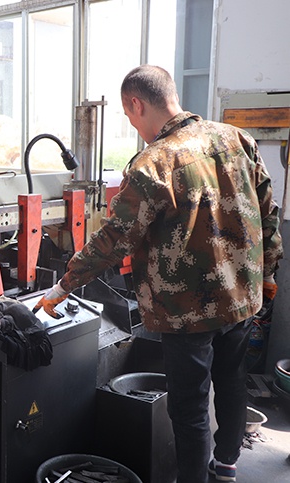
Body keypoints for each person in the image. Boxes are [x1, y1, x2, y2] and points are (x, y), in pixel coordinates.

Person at [34, 65, 283, 482]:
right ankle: (226, 466)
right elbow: (268, 212)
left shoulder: (154, 163)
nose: (134, 126)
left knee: (189, 406)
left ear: (137, 104)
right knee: (232, 381)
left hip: (187, 310)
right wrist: (269, 272)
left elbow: (115, 239)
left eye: (129, 117)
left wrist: (64, 285)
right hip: (242, 295)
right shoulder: (237, 139)